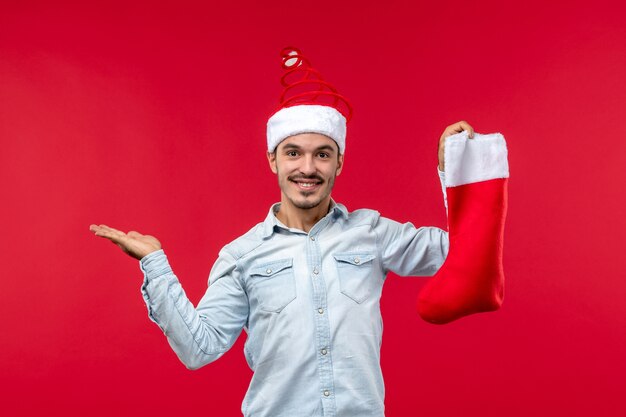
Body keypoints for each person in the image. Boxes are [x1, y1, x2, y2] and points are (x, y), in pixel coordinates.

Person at [90, 48, 496, 417]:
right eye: (293, 153)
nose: (308, 168)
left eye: (322, 154)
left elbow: (463, 252)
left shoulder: (371, 232)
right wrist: (154, 265)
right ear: (272, 160)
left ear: (339, 163)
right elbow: (200, 349)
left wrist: (457, 172)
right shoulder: (241, 255)